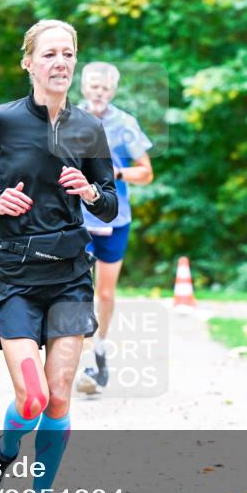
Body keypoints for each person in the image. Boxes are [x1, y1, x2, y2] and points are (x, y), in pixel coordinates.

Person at [0, 20, 117, 493]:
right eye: (49, 54)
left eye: (68, 54)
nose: (60, 62)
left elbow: (108, 205)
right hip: (17, 276)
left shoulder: (89, 128)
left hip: (69, 276)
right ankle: (1, 454)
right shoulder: (0, 119)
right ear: (29, 62)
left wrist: (89, 193)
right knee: (33, 397)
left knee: (60, 394)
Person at [73, 62, 154, 394]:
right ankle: (75, 363)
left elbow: (146, 173)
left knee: (104, 293)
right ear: (84, 87)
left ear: (113, 91)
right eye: (94, 86)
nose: (99, 92)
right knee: (77, 290)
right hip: (76, 219)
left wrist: (115, 173)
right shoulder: (68, 119)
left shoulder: (125, 124)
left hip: (114, 219)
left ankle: (100, 351)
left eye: (105, 87)